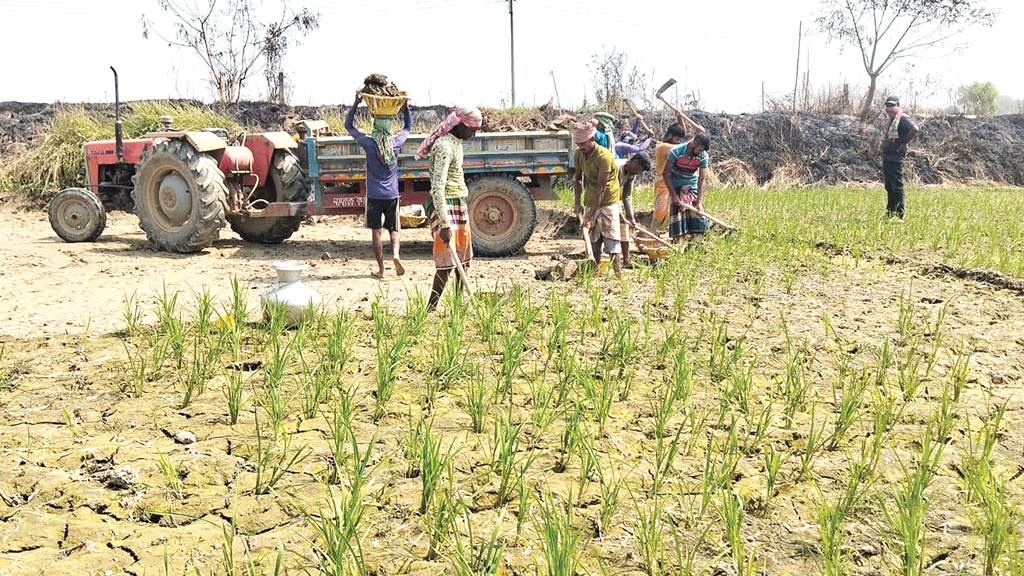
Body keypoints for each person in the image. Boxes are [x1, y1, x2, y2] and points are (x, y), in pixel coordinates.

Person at [416, 105, 483, 310]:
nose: (473, 134)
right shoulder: (444, 146)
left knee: (463, 261)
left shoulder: (457, 142)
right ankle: (429, 310)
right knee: (446, 264)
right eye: (472, 129)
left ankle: (457, 307)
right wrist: (444, 224)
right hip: (445, 205)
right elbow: (437, 187)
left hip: (458, 203)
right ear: (460, 125)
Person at [346, 93, 413, 278]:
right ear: (390, 127)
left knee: (376, 233)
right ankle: (397, 255)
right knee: (394, 229)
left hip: (374, 195)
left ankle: (382, 271)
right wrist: (405, 107)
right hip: (392, 195)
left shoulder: (369, 144)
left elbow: (349, 127)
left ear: (375, 127)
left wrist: (356, 104)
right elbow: (408, 127)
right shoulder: (397, 143)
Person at [573, 122, 624, 275]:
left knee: (612, 241)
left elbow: (602, 189)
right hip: (590, 198)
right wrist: (577, 203)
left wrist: (588, 217)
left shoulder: (604, 157)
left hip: (608, 200)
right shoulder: (578, 154)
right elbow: (578, 179)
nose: (581, 146)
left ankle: (618, 276)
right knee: (594, 241)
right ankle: (594, 274)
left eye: (584, 143)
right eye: (578, 143)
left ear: (593, 138)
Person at [652, 109, 706, 232]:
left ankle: (664, 233)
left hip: (671, 183)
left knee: (671, 213)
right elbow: (684, 147)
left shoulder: (670, 144)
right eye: (677, 138)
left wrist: (679, 117)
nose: (678, 141)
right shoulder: (663, 147)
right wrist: (697, 136)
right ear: (670, 136)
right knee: (660, 213)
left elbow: (684, 139)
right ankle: (655, 233)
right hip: (662, 184)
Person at [662, 132, 711, 241]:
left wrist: (699, 201)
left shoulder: (703, 156)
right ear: (694, 143)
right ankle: (677, 243)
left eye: (702, 151)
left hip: (691, 185)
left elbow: (702, 179)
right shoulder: (676, 152)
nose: (700, 153)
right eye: (699, 150)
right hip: (676, 185)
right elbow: (665, 173)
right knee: (678, 215)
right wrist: (674, 195)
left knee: (698, 215)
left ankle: (695, 243)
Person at [878, 96, 919, 220]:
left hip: (896, 157)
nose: (889, 108)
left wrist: (903, 143)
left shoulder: (902, 119)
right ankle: (890, 212)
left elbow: (915, 129)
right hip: (888, 156)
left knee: (897, 186)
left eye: (892, 105)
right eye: (887, 106)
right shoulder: (891, 120)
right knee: (889, 186)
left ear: (898, 106)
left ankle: (900, 214)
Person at [617, 152, 652, 268]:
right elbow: (610, 192)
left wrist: (630, 216)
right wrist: (619, 213)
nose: (639, 173)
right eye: (640, 170)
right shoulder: (617, 168)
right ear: (635, 162)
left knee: (624, 227)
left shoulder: (631, 173)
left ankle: (626, 261)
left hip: (614, 200)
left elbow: (627, 196)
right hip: (601, 198)